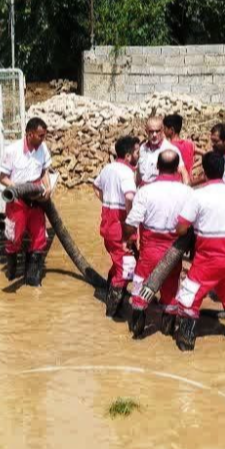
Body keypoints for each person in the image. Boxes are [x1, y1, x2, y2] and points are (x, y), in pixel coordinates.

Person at [173, 151, 225, 351]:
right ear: (223, 171)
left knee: (189, 300)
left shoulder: (198, 196)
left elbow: (180, 228)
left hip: (209, 260)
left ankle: (186, 346)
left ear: (204, 172)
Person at [123, 150, 192, 339]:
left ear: (158, 167)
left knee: (140, 287)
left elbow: (131, 223)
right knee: (170, 291)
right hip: (175, 250)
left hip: (150, 249)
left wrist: (128, 240)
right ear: (178, 168)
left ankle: (137, 332)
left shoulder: (145, 191)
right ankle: (167, 331)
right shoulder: (187, 192)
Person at [0, 117, 54, 286]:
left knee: (39, 239)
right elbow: (3, 178)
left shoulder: (42, 149)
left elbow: (44, 171)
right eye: (40, 135)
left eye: (44, 135)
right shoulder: (12, 151)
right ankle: (12, 273)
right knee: (14, 238)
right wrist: (18, 188)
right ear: (30, 134)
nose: (43, 139)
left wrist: (48, 187)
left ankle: (33, 279)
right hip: (18, 201)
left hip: (37, 200)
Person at [93, 135, 140, 317]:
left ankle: (109, 293)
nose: (139, 156)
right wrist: (131, 220)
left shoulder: (108, 168)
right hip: (121, 229)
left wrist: (107, 202)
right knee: (126, 270)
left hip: (108, 226)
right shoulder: (126, 172)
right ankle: (112, 312)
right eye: (137, 152)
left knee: (118, 263)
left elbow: (96, 187)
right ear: (128, 156)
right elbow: (129, 196)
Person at [137, 116, 188, 186]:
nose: (154, 135)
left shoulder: (170, 149)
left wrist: (186, 190)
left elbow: (183, 172)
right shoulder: (142, 148)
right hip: (143, 191)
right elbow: (138, 173)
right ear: (146, 131)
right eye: (151, 131)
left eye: (157, 131)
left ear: (162, 130)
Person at [162, 113, 195, 179]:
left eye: (165, 128)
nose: (163, 130)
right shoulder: (189, 144)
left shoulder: (169, 146)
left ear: (171, 130)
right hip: (188, 180)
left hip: (176, 181)